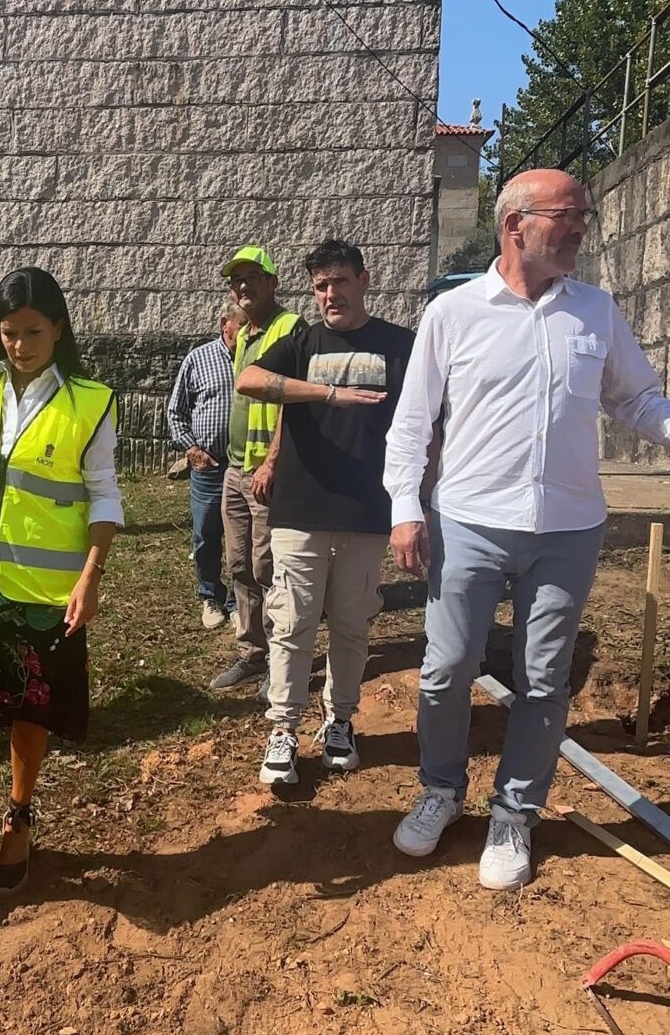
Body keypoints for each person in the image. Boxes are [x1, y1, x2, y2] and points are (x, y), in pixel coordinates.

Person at [384, 168, 670, 890]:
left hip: (568, 528)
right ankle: (441, 789)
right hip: (470, 521)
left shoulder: (595, 311)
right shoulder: (453, 313)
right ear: (516, 224)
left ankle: (515, 811)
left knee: (544, 679)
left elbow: (636, 398)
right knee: (448, 668)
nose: (580, 228)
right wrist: (405, 508)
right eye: (566, 215)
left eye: (584, 215)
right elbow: (412, 422)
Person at [0, 267, 123, 904]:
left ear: (59, 329)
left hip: (45, 590)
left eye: (33, 332)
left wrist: (91, 577)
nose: (20, 345)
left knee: (30, 707)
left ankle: (19, 814)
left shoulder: (89, 402)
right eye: (9, 332)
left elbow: (104, 495)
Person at [236, 240, 415, 785]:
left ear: (364, 280)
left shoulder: (400, 344)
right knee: (292, 623)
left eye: (339, 281)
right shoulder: (302, 342)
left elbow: (426, 420)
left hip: (367, 510)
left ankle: (340, 721)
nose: (330, 294)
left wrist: (419, 500)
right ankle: (283, 728)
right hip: (300, 510)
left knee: (351, 625)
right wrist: (326, 393)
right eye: (320, 286)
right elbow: (249, 380)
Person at [211, 246, 305, 692]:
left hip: (268, 472)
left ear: (273, 282)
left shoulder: (291, 328)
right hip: (235, 469)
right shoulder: (245, 334)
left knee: (269, 566)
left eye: (252, 276)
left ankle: (279, 659)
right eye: (236, 280)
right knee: (238, 564)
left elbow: (293, 401)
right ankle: (251, 653)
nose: (243, 285)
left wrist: (271, 461)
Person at [167, 299, 243, 629]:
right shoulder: (198, 359)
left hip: (245, 466)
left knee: (243, 538)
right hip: (209, 468)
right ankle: (210, 596)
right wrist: (192, 449)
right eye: (243, 326)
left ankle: (239, 600)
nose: (249, 333)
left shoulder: (259, 358)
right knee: (205, 534)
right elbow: (176, 412)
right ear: (225, 324)